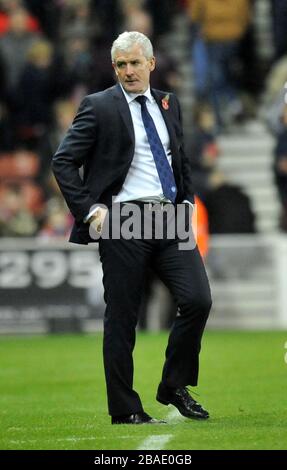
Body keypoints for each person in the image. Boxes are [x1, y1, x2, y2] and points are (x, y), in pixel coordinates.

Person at [52, 31, 212, 425]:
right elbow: (63, 161)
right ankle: (125, 409)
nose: (128, 71)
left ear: (151, 64)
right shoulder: (98, 106)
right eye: (121, 65)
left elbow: (180, 158)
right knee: (122, 318)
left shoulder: (168, 103)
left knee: (198, 300)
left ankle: (173, 384)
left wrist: (187, 201)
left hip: (169, 217)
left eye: (135, 63)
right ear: (114, 68)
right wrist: (90, 211)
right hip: (122, 219)